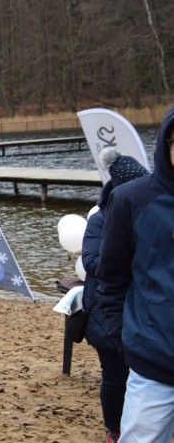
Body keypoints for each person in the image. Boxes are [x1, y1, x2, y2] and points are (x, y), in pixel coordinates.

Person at [96, 105, 174, 443]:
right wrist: (125, 341)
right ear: (166, 143)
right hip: (153, 364)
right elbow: (110, 278)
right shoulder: (130, 200)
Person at [82, 149, 149, 443]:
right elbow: (90, 261)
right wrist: (124, 260)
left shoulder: (152, 213)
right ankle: (114, 429)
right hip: (104, 308)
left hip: (142, 308)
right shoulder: (100, 219)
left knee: (145, 376)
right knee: (114, 375)